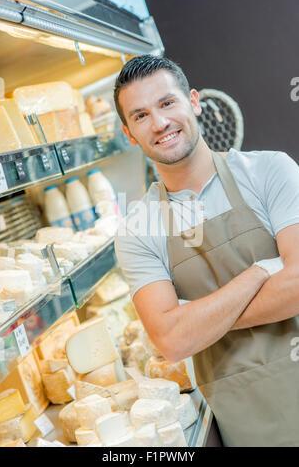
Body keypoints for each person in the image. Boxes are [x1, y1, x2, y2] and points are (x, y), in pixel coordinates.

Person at [113, 55, 299, 447]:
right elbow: (173, 343)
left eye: (167, 103)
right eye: (141, 115)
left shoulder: (270, 172)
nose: (160, 123)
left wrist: (196, 322)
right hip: (248, 422)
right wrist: (261, 272)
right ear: (129, 134)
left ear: (193, 102)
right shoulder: (136, 230)